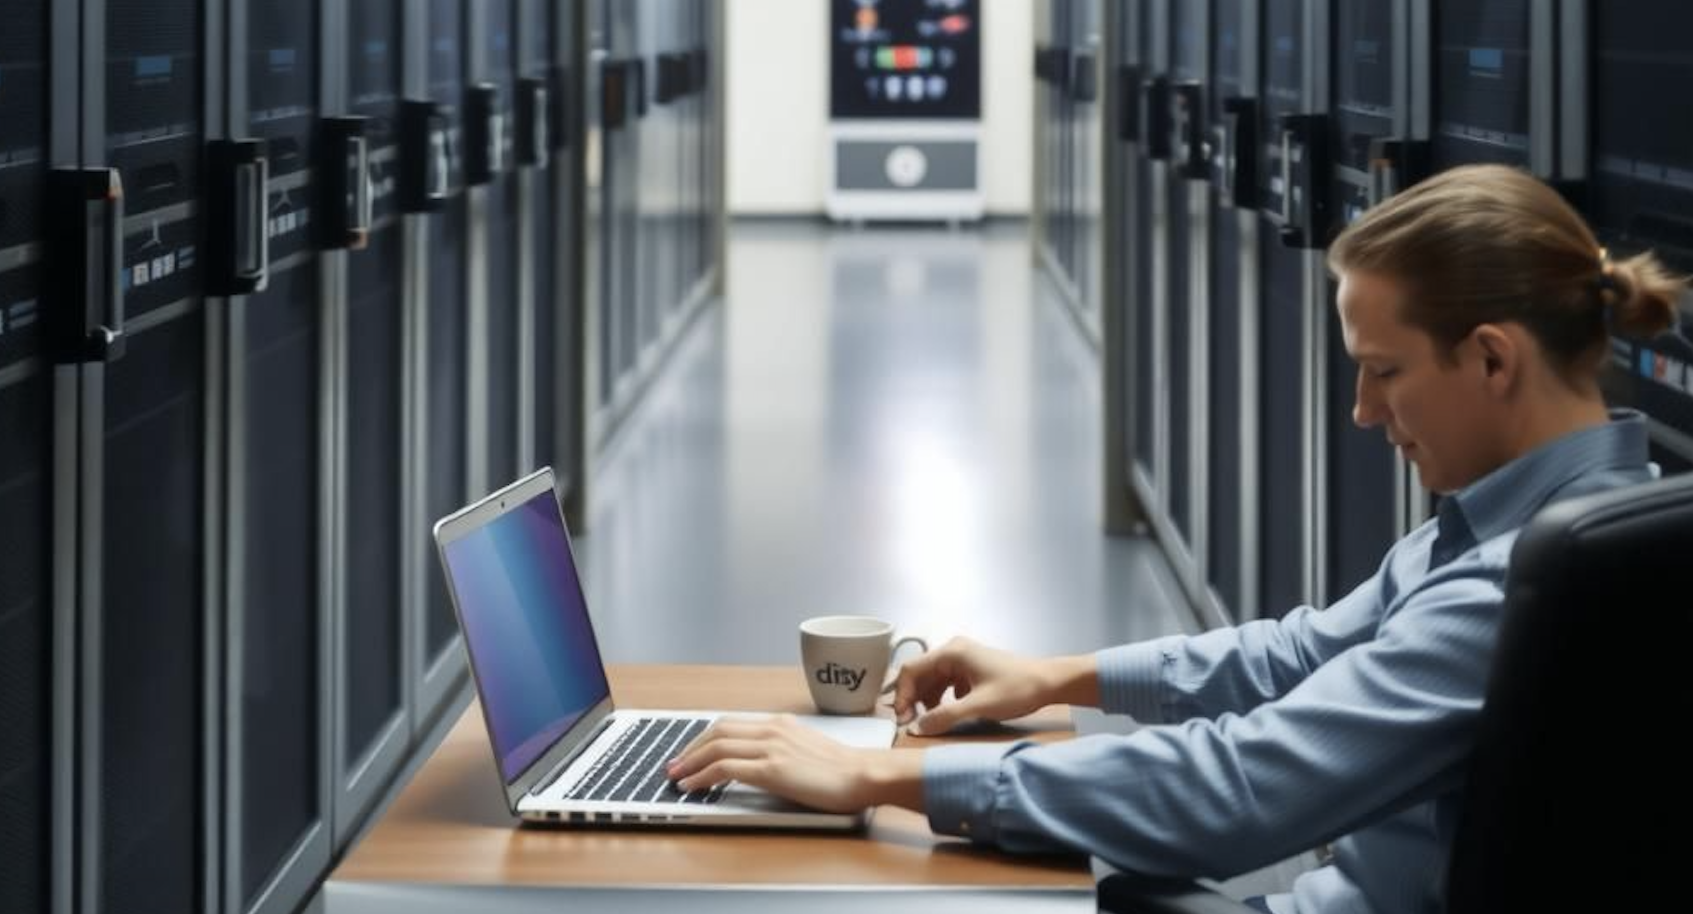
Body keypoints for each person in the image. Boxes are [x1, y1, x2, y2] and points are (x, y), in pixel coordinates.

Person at [666, 164, 1687, 913]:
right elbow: (1298, 654)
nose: (1363, 413)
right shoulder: (1512, 525)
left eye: (1383, 369)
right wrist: (1056, 676)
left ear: (1492, 359)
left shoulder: (1509, 586)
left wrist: (881, 778)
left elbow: (1238, 787)